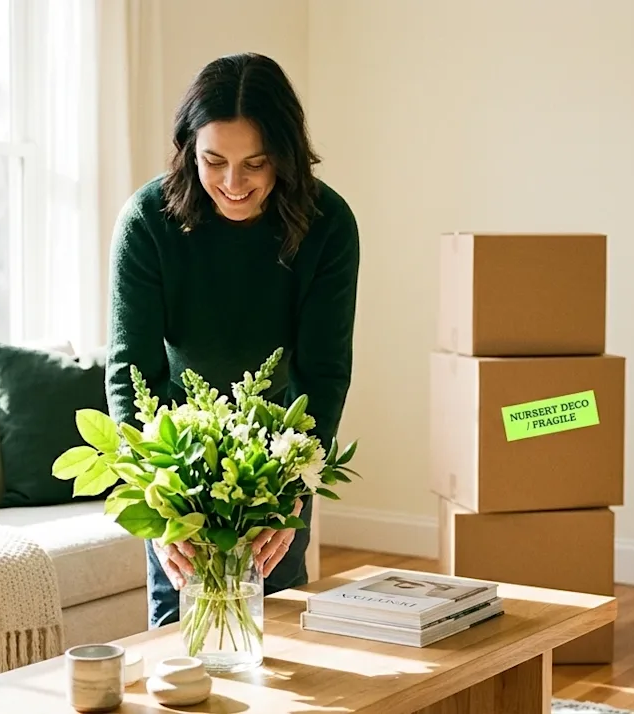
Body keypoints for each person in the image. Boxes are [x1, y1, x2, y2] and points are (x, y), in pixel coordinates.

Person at [104, 53, 360, 629]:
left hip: (280, 454)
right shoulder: (148, 222)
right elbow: (129, 371)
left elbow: (324, 372)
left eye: (256, 163)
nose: (232, 184)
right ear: (189, 149)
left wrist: (293, 484)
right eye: (213, 161)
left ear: (286, 159)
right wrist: (153, 495)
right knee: (181, 636)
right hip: (176, 457)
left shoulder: (329, 225)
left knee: (282, 627)